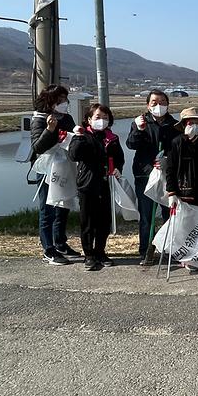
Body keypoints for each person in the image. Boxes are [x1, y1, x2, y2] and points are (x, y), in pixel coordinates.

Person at [68, 103, 125, 271]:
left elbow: (119, 158)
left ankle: (100, 252)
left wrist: (117, 169)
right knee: (88, 222)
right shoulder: (83, 136)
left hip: (106, 183)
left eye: (105, 118)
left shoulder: (112, 138)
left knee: (104, 221)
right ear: (89, 119)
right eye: (98, 117)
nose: (102, 120)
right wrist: (78, 137)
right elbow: (74, 155)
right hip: (87, 183)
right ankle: (89, 255)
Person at [126, 89, 178, 265]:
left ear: (168, 105)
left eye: (162, 102)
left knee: (168, 213)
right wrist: (139, 129)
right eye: (154, 102)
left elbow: (178, 150)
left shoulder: (174, 124)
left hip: (168, 175)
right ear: (148, 105)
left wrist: (167, 161)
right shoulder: (141, 122)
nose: (158, 105)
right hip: (145, 174)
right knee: (147, 215)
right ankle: (146, 251)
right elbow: (131, 144)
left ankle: (169, 249)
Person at [29, 84, 79, 265]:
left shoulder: (67, 118)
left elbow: (73, 138)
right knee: (47, 209)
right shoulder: (40, 119)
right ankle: (48, 249)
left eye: (65, 100)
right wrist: (50, 130)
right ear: (50, 102)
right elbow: (37, 147)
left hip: (65, 166)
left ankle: (60, 243)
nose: (64, 104)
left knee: (63, 205)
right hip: (46, 170)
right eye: (60, 101)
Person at [165, 107, 198, 210]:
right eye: (191, 122)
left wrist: (193, 139)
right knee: (186, 222)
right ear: (184, 124)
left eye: (197, 123)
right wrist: (171, 192)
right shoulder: (177, 142)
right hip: (184, 189)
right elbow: (171, 168)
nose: (195, 125)